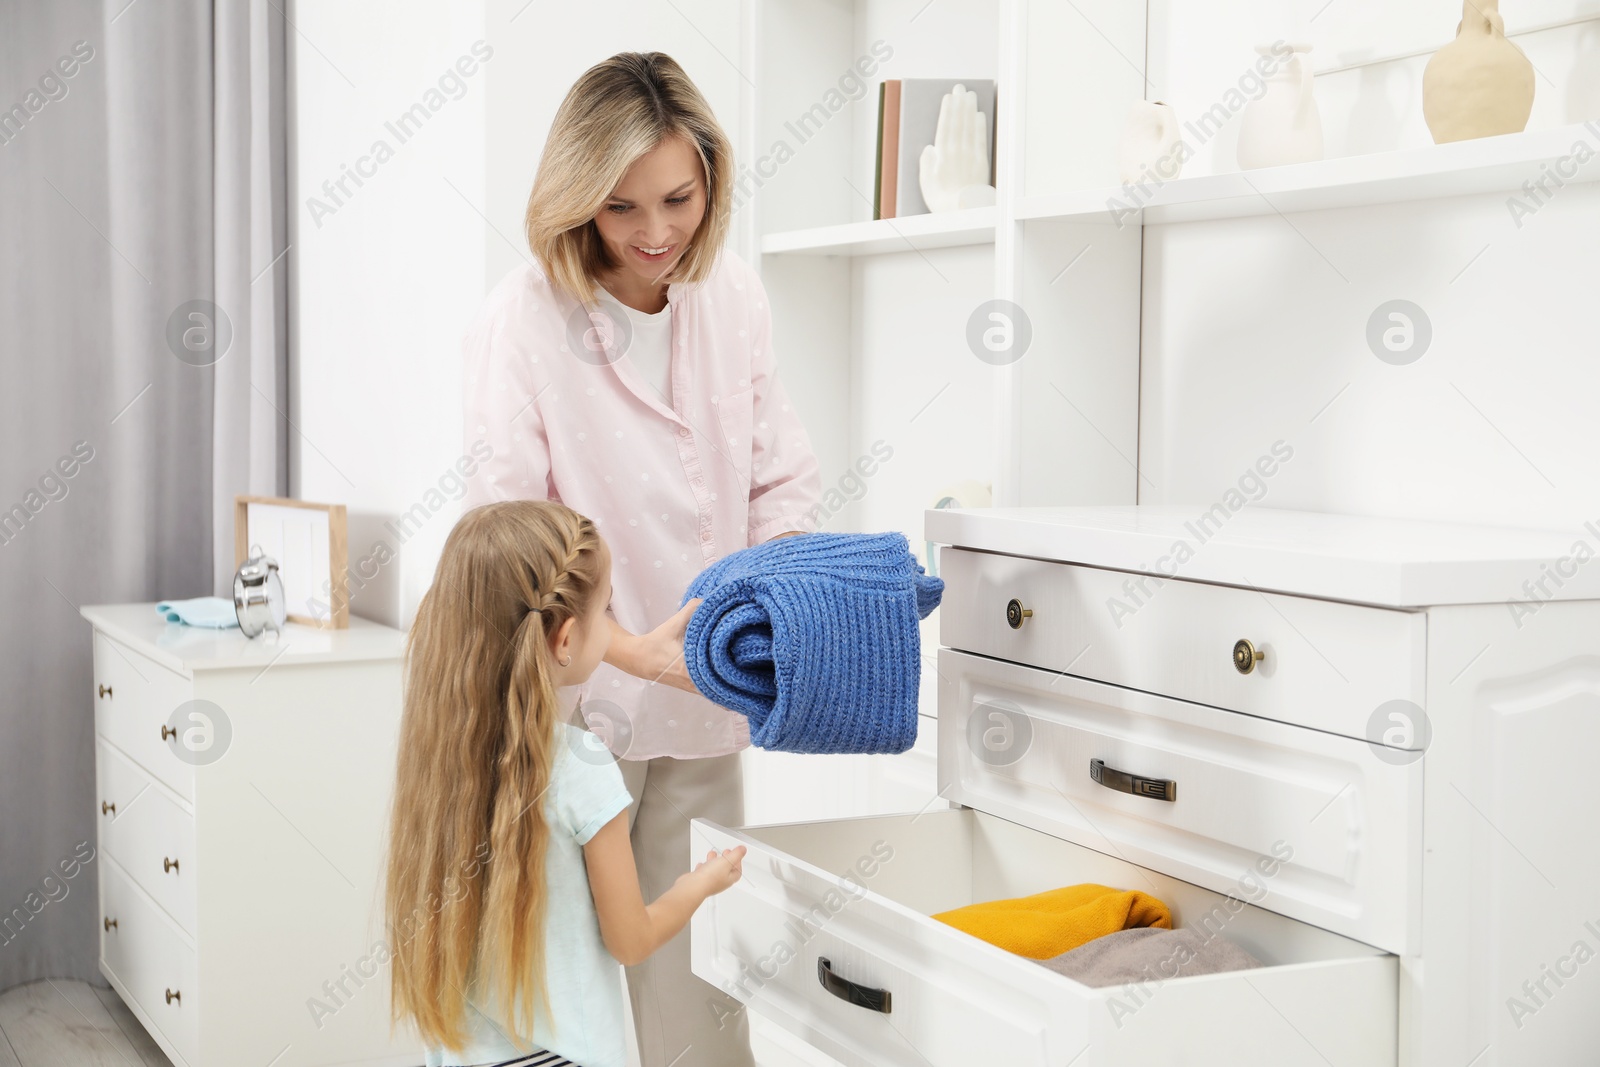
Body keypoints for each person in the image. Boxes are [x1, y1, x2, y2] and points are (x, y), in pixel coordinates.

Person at [459, 51, 823, 1066]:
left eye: (679, 197)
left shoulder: (731, 296)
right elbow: (510, 538)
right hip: (579, 703)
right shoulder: (524, 319)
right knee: (578, 972)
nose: (658, 233)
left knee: (700, 965)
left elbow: (780, 475)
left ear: (712, 178)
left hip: (708, 689)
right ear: (577, 202)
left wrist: (761, 613)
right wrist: (627, 650)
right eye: (622, 208)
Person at [385, 500, 748, 1067]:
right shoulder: (583, 769)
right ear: (565, 640)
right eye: (606, 612)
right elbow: (630, 939)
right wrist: (699, 884)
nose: (612, 629)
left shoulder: (440, 761)